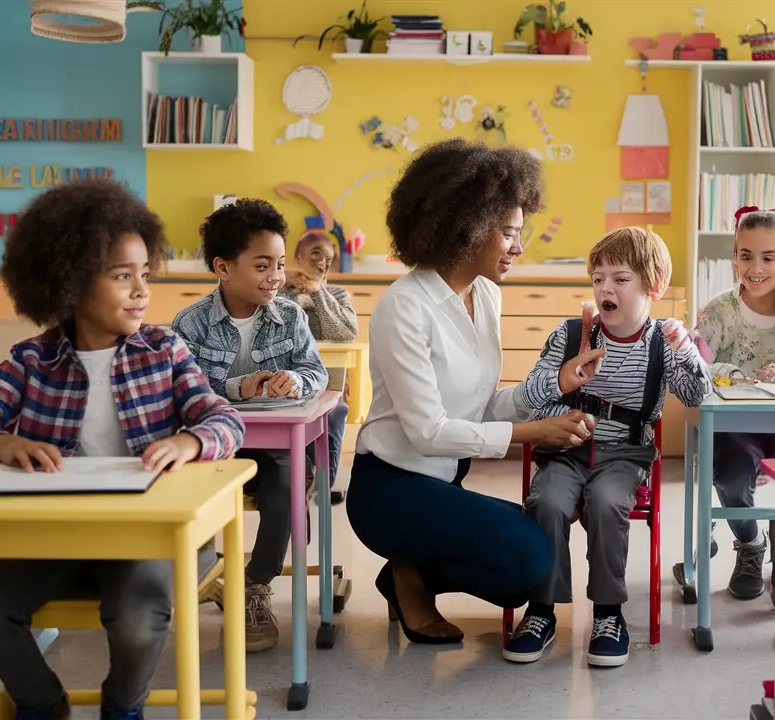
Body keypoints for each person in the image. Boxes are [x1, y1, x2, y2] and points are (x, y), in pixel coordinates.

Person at [0, 178, 245, 720]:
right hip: (60, 534)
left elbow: (224, 419)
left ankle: (122, 707)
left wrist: (188, 439)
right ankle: (43, 704)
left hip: (151, 534)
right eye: (122, 276)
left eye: (144, 275)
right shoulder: (32, 360)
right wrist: (0, 442)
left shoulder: (164, 349)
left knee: (136, 615)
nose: (141, 291)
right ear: (72, 284)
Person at [346, 138, 592, 644]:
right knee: (529, 559)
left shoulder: (487, 297)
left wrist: (556, 384)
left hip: (442, 481)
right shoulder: (405, 306)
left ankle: (407, 575)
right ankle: (407, 573)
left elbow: (483, 405)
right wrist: (531, 432)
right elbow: (428, 431)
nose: (519, 248)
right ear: (466, 225)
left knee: (528, 557)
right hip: (391, 489)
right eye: (508, 233)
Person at [504, 227, 710, 667]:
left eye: (620, 279)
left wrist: (686, 349)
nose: (605, 289)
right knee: (549, 502)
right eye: (598, 279)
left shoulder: (662, 344)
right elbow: (529, 400)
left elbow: (696, 397)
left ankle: (608, 613)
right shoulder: (571, 334)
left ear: (653, 284)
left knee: (605, 501)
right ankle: (541, 610)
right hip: (565, 448)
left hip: (625, 454)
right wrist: (565, 377)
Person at [172, 198, 328, 652]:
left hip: (274, 445)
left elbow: (317, 374)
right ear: (223, 267)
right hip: (215, 445)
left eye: (279, 264)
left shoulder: (291, 315)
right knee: (186, 485)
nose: (276, 277)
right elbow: (183, 391)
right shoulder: (191, 324)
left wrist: (295, 379)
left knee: (289, 479)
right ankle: (203, 572)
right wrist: (241, 387)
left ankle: (255, 584)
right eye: (262, 265)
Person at [671, 207, 775, 601]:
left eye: (768, 257)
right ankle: (750, 544)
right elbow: (695, 366)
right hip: (734, 427)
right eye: (745, 256)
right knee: (728, 477)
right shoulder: (720, 310)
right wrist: (723, 368)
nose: (755, 268)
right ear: (734, 256)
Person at [282, 228, 355, 503]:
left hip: (328, 385)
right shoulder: (278, 291)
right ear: (297, 257)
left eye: (328, 258)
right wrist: (287, 285)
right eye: (315, 254)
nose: (323, 262)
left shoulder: (337, 294)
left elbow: (344, 332)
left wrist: (318, 292)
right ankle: (299, 480)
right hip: (289, 382)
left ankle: (322, 486)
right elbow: (278, 325)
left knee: (334, 414)